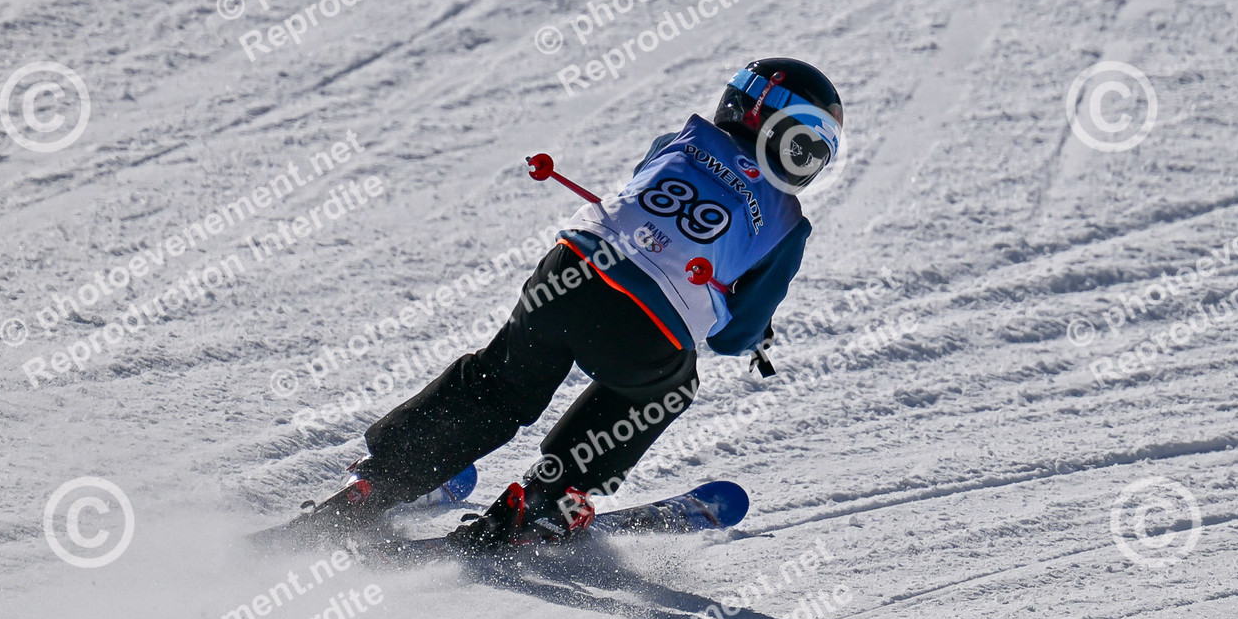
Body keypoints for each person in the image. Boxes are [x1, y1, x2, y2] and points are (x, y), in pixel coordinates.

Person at [309, 58, 844, 545]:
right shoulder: (786, 224)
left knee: (501, 383)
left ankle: (383, 479)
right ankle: (550, 498)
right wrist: (751, 331)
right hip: (648, 327)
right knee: (669, 387)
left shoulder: (679, 141)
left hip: (569, 273)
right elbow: (734, 335)